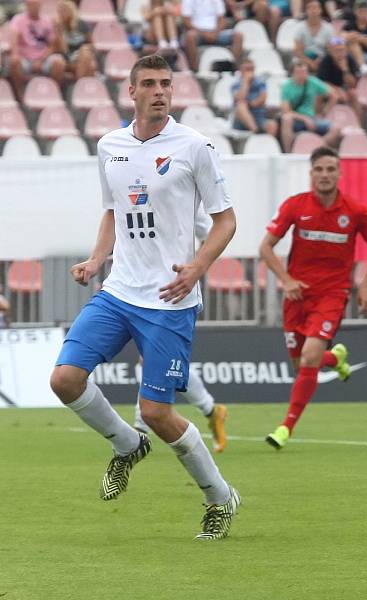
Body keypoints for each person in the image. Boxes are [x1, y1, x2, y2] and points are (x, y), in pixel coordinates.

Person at [48, 54, 241, 540]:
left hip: (170, 300)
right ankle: (125, 444)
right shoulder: (109, 145)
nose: (160, 91)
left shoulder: (195, 146)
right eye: (150, 84)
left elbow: (226, 221)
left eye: (166, 84)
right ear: (131, 91)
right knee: (65, 380)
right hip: (119, 292)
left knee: (157, 414)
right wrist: (96, 259)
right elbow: (113, 210)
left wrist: (197, 267)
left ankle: (220, 497)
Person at [259, 146, 367, 449]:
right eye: (319, 170)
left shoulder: (355, 211)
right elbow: (266, 247)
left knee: (308, 358)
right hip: (298, 295)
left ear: (340, 173)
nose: (325, 175)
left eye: (331, 169)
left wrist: (365, 284)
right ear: (311, 174)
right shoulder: (295, 206)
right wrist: (286, 280)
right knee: (300, 362)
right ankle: (336, 359)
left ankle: (285, 428)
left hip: (332, 295)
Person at [133, 210, 229, 454]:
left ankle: (140, 429)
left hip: (174, 290)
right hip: (139, 291)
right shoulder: (135, 198)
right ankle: (211, 410)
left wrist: (195, 266)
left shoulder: (181, 201)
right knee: (150, 360)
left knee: (148, 359)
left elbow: (212, 233)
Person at [7, 0, 67, 99]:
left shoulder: (48, 21)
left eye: (35, 4)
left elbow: (52, 45)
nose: (33, 7)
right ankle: (19, 94)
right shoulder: (18, 19)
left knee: (58, 62)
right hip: (25, 59)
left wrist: (41, 60)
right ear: (26, 5)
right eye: (30, 4)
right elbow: (14, 42)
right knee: (14, 61)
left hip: (43, 59)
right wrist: (16, 55)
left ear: (40, 5)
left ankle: (55, 92)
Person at [279, 60, 339, 152]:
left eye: (304, 71)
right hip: (296, 119)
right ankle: (289, 152)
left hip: (312, 118)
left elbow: (334, 95)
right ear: (293, 73)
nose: (302, 74)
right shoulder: (287, 87)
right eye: (299, 72)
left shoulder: (313, 82)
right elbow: (286, 111)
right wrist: (305, 119)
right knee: (286, 119)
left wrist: (324, 112)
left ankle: (317, 146)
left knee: (336, 128)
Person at [181, 0, 244, 71]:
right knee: (190, 36)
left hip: (216, 32)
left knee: (238, 36)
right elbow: (186, 21)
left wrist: (216, 32)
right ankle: (195, 70)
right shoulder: (188, 1)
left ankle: (234, 68)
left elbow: (222, 20)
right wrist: (203, 33)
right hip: (198, 33)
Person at [316, 36, 364, 121]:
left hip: (344, 87)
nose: (340, 53)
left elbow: (353, 84)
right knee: (327, 95)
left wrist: (345, 70)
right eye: (337, 50)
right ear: (331, 51)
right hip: (327, 87)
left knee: (354, 94)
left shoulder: (349, 59)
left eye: (342, 50)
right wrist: (336, 89)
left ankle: (357, 124)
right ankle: (320, 119)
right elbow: (320, 82)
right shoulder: (326, 60)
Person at [232, 58, 279, 136]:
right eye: (247, 69)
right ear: (241, 70)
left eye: (252, 69)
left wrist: (250, 104)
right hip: (241, 121)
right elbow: (240, 98)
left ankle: (268, 146)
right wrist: (246, 82)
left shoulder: (260, 83)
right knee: (241, 106)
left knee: (272, 125)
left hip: (258, 117)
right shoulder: (235, 85)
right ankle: (256, 131)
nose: (250, 72)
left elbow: (262, 99)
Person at [55, 0, 98, 79]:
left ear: (70, 10)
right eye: (59, 11)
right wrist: (59, 31)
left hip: (81, 57)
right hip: (66, 59)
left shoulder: (82, 24)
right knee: (90, 66)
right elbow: (63, 50)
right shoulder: (57, 27)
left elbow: (92, 45)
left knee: (86, 54)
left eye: (63, 10)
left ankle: (79, 85)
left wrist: (84, 49)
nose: (61, 13)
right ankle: (80, 86)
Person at [293, 0, 335, 72]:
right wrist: (310, 62)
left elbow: (330, 49)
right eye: (310, 8)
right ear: (306, 11)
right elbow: (298, 51)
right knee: (298, 63)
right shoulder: (300, 28)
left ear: (320, 10)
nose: (313, 11)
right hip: (305, 58)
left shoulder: (328, 28)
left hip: (322, 59)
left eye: (315, 8)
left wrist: (321, 60)